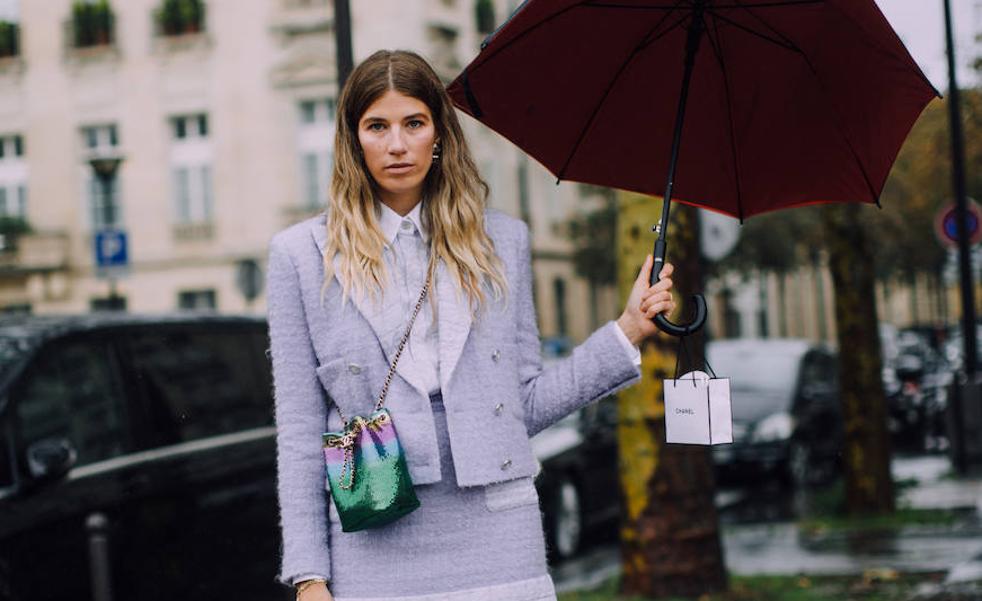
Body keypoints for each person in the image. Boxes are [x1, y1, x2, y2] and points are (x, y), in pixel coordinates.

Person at [266, 49, 677, 601]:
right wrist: (309, 575)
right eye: (377, 126)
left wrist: (626, 331)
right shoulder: (301, 255)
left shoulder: (502, 243)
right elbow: (298, 432)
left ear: (439, 134)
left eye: (414, 123)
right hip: (373, 543)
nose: (396, 144)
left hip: (500, 534)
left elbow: (524, 404)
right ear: (352, 139)